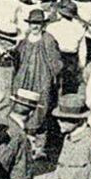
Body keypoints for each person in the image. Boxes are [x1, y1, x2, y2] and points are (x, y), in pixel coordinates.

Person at [13, 8, 63, 158]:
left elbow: (56, 63)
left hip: (42, 80)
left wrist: (53, 79)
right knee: (22, 108)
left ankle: (40, 147)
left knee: (41, 110)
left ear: (43, 25)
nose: (35, 26)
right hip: (24, 80)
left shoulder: (48, 40)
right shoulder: (24, 41)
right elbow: (18, 59)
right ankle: (24, 143)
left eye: (38, 24)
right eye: (32, 23)